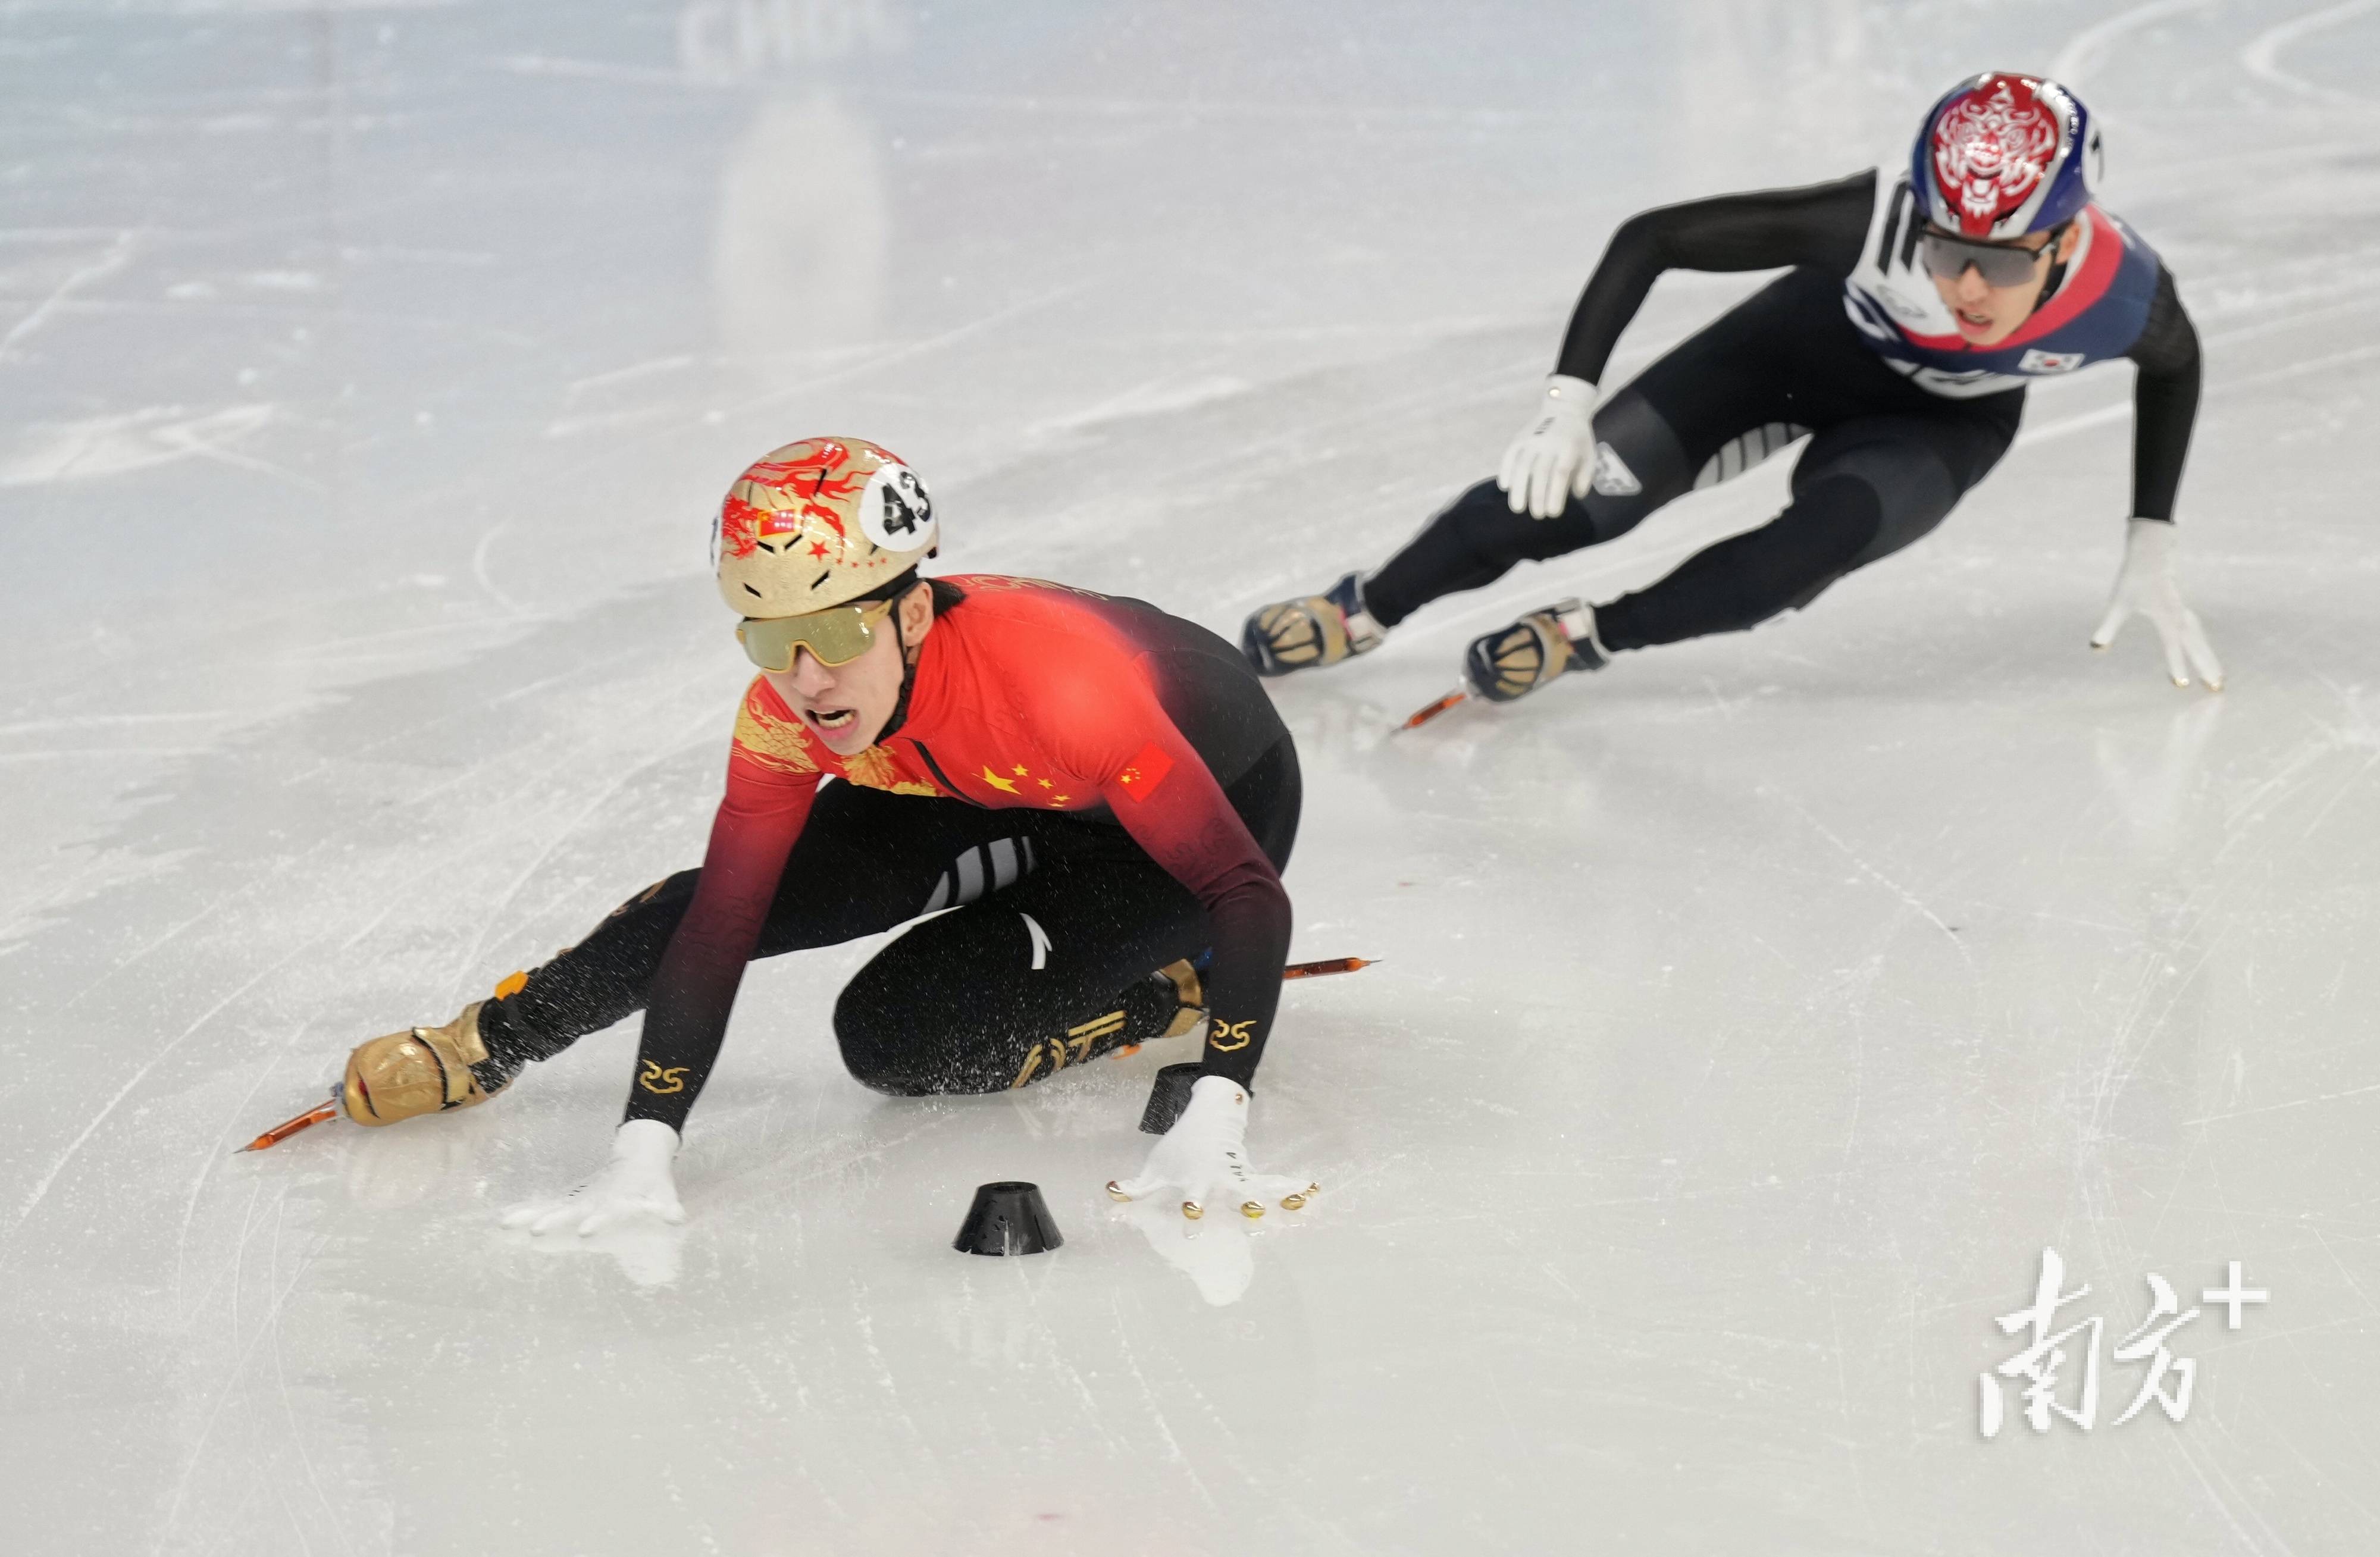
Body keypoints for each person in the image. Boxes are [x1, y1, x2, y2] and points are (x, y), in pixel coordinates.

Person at [340, 437, 1316, 1230]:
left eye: (839, 634)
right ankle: (486, 1042)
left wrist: (1220, 1099)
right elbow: (720, 924)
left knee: (905, 1043)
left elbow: (1246, 891)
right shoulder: (788, 712)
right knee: (794, 933)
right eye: (773, 640)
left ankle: (1165, 990)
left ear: (914, 612)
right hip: (980, 779)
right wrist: (646, 1138)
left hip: (1187, 817)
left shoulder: (1064, 692)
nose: (808, 680)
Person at [1241, 71, 2221, 710]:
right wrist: (1566, 405)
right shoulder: (1873, 220)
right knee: (1563, 503)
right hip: (1797, 351)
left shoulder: (2125, 297)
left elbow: (2178, 367)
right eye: (1945, 249)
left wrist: (2152, 535)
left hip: (1940, 425)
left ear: (2066, 239)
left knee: (1791, 567)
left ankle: (1584, 634)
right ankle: (1363, 608)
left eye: (2002, 263)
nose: (1967, 287)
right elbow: (1655, 238)